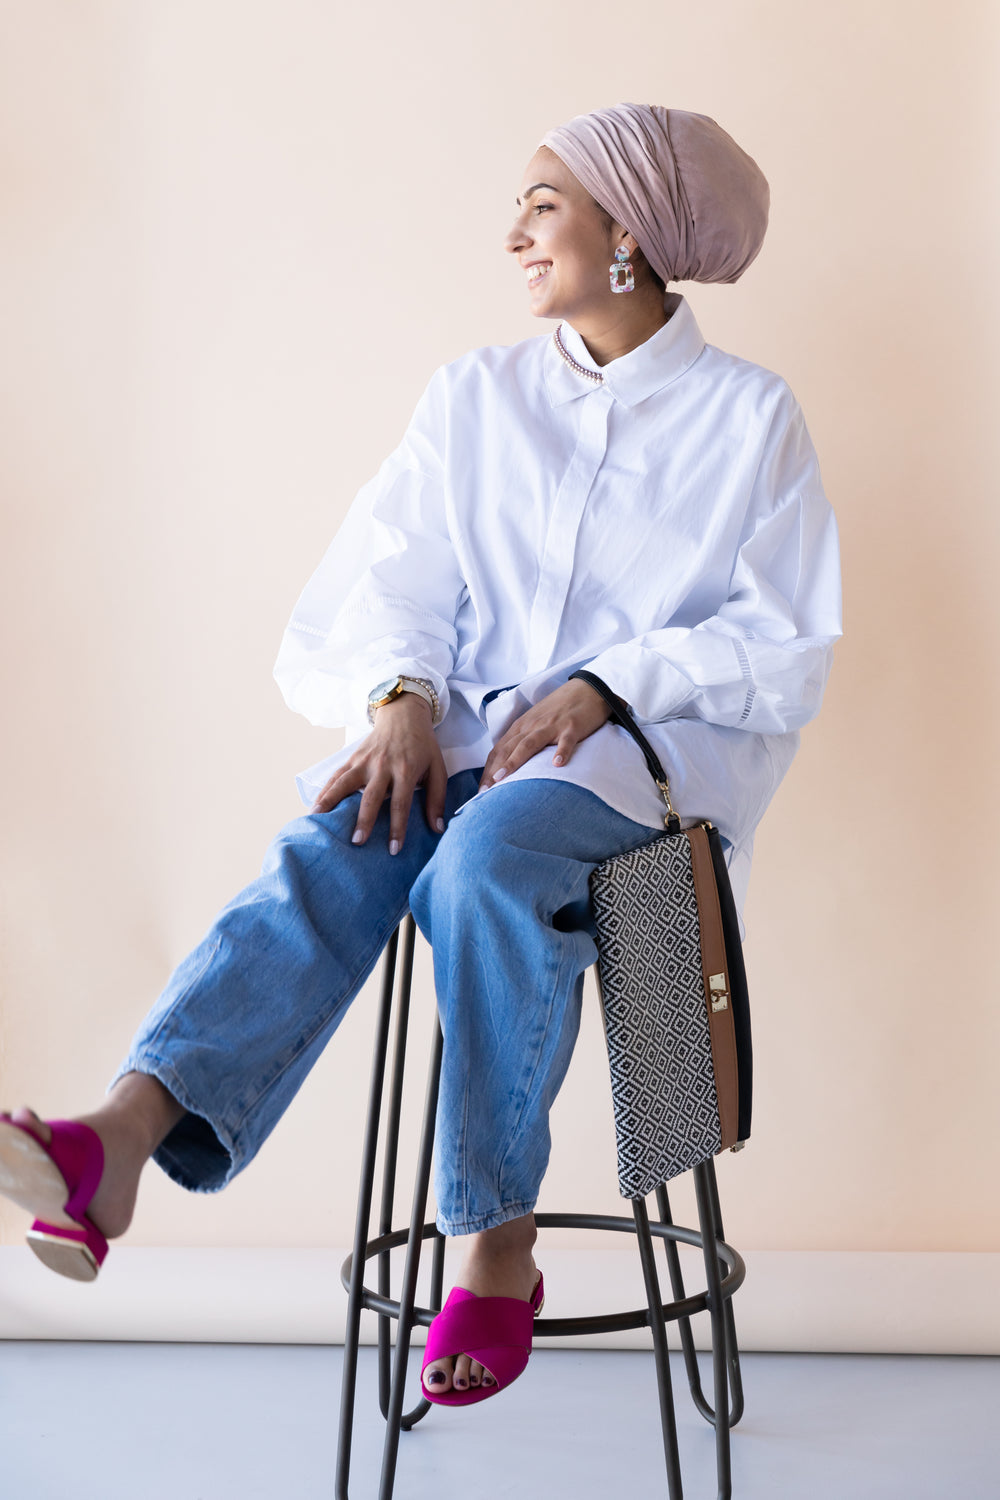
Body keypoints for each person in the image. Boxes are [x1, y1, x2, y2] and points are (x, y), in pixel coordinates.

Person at [0, 104, 841, 1404]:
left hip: (637, 788)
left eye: (544, 202)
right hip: (454, 750)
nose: (515, 231)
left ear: (629, 231)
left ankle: (493, 1243)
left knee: (485, 859)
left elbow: (783, 642)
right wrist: (399, 691)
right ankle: (121, 1136)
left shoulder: (749, 421)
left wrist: (608, 688)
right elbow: (404, 571)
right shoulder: (477, 398)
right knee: (335, 846)